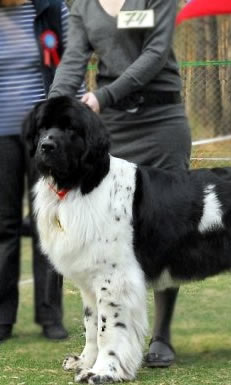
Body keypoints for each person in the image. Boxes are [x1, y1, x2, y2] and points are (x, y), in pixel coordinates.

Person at [48, 0, 191, 367]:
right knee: (103, 237)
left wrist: (103, 96)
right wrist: (54, 106)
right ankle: (102, 339)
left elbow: (156, 53)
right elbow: (74, 57)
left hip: (161, 118)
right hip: (113, 124)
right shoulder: (81, 5)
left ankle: (162, 335)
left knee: (164, 226)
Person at [0, 0, 76, 341]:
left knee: (51, 223)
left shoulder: (51, 9)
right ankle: (2, 317)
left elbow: (72, 62)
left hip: (46, 137)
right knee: (4, 225)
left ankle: (50, 315)